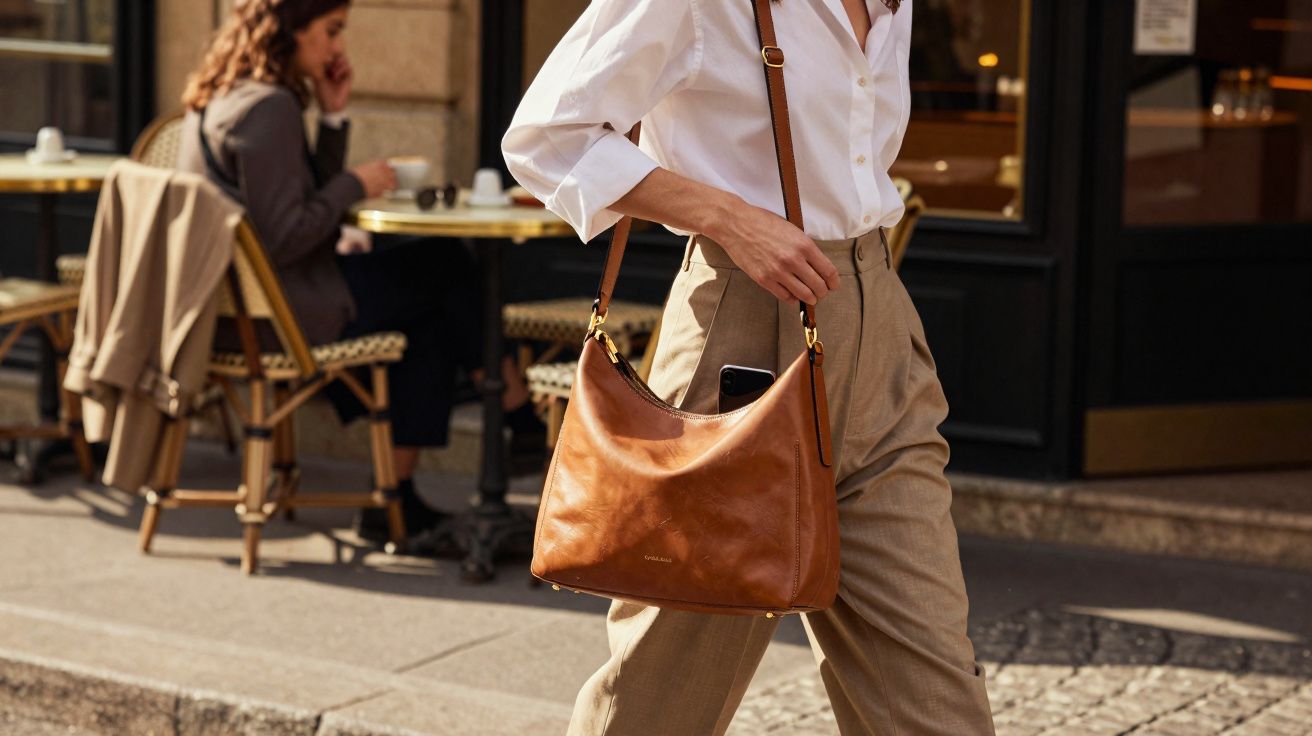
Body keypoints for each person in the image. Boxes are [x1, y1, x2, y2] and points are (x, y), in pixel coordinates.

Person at [503, 0, 996, 733]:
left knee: (934, 696)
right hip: (744, 336)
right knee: (663, 696)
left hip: (878, 334)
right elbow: (548, 137)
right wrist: (728, 216)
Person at [175, 0, 542, 543]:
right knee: (445, 264)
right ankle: (517, 413)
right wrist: (355, 183)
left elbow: (292, 201)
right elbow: (291, 234)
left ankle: (395, 505)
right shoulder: (268, 108)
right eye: (331, 31)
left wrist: (331, 114)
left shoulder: (218, 101)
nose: (338, 48)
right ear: (288, 31)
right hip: (286, 317)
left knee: (429, 320)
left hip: (244, 314)